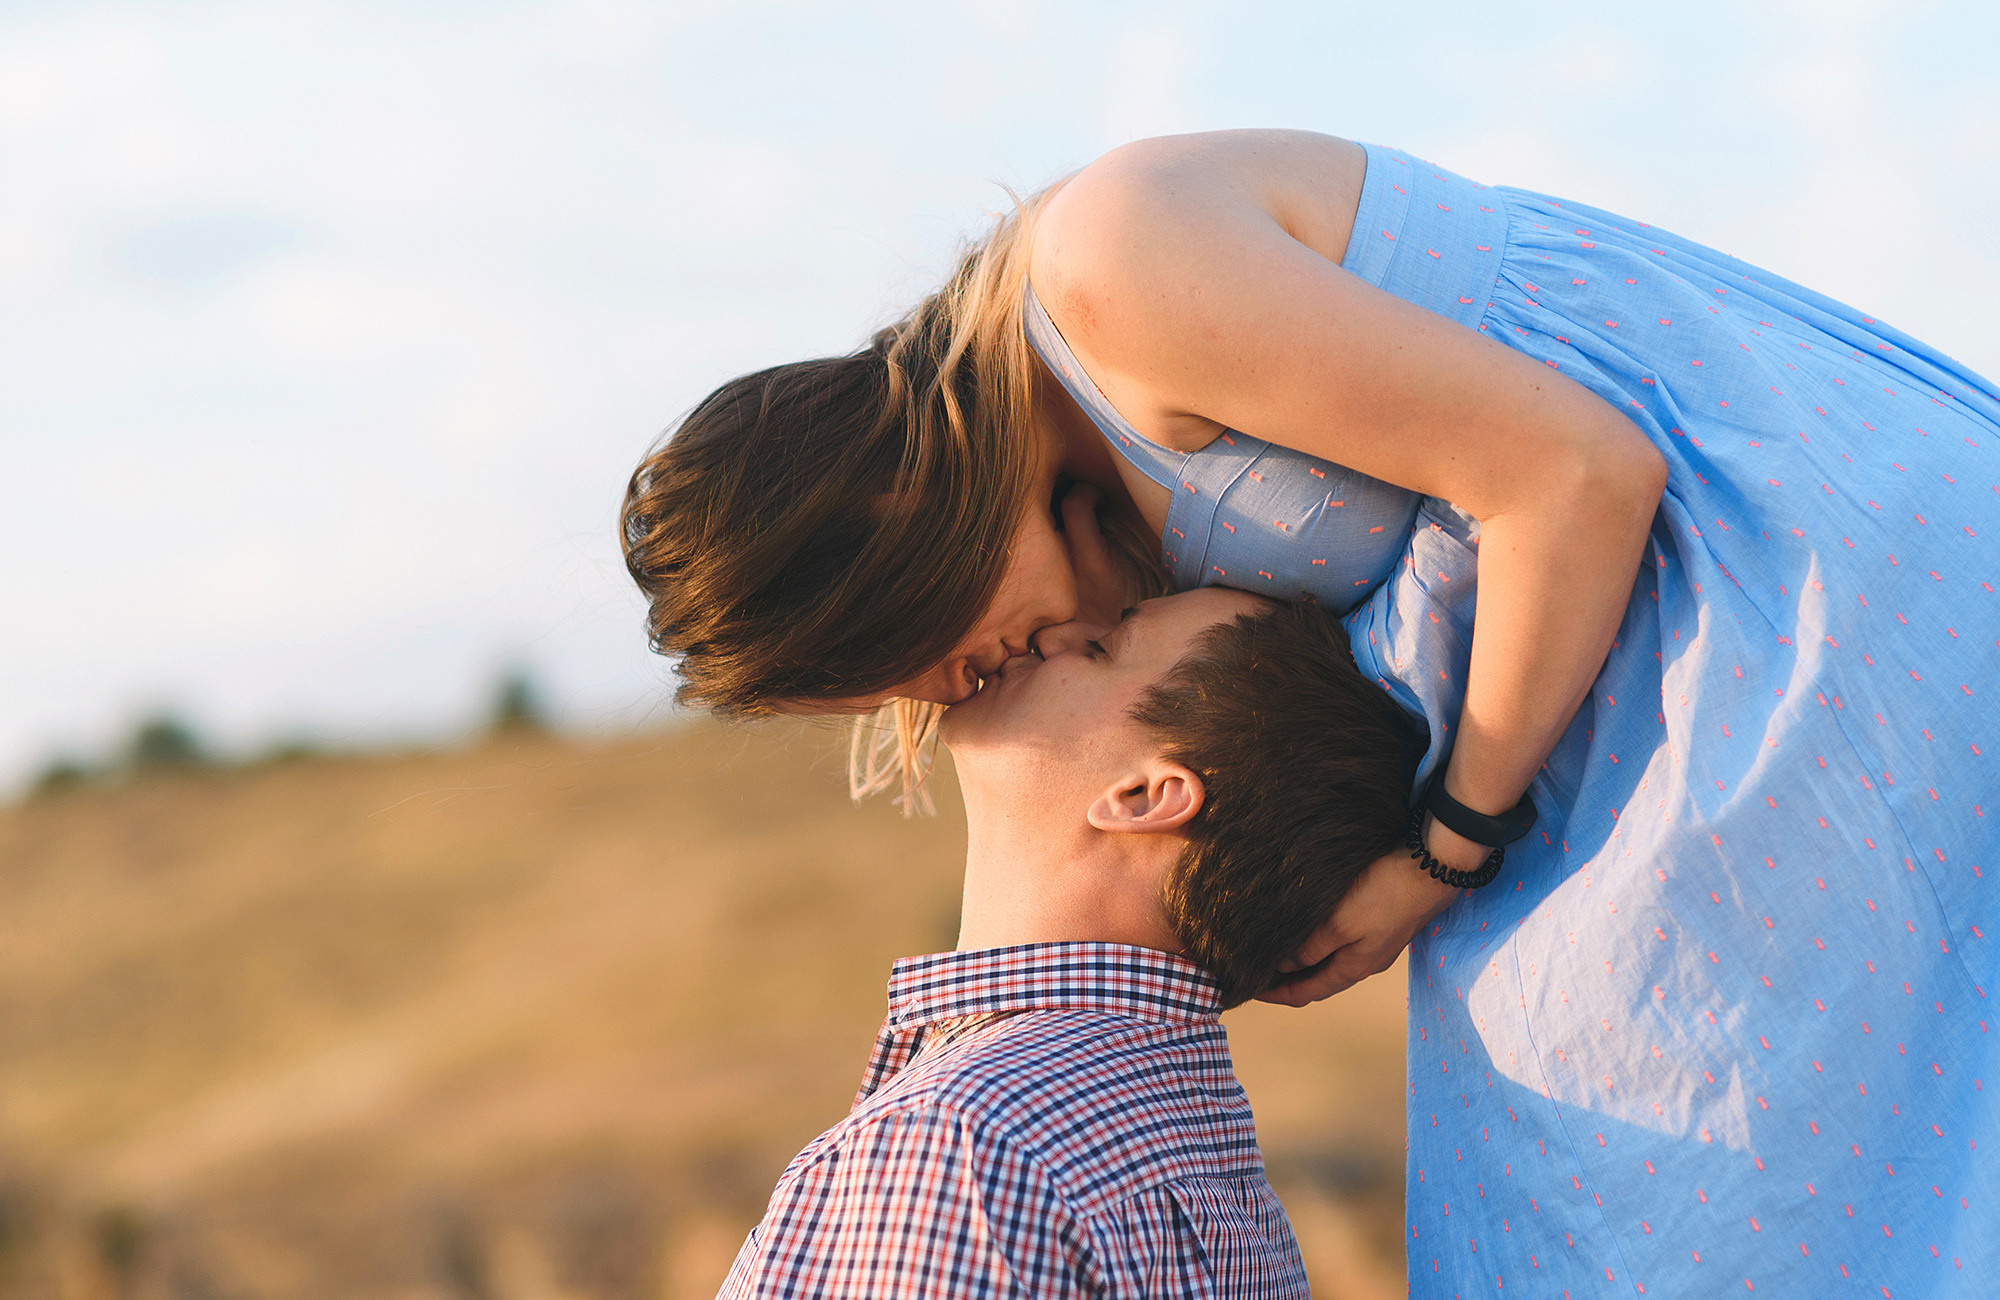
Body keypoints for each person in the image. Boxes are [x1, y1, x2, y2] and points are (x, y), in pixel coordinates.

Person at [628, 131, 2000, 1294]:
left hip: (1781, 587)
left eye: (920, 650)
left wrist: (1444, 852)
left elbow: (1576, 474)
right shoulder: (1101, 525)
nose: (962, 684)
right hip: (1623, 702)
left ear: (894, 514)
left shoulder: (1109, 270)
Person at [719, 588, 1426, 1297]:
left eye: (1100, 650)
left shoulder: (960, 1145)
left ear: (1145, 796)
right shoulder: (1196, 1155)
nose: (1053, 636)